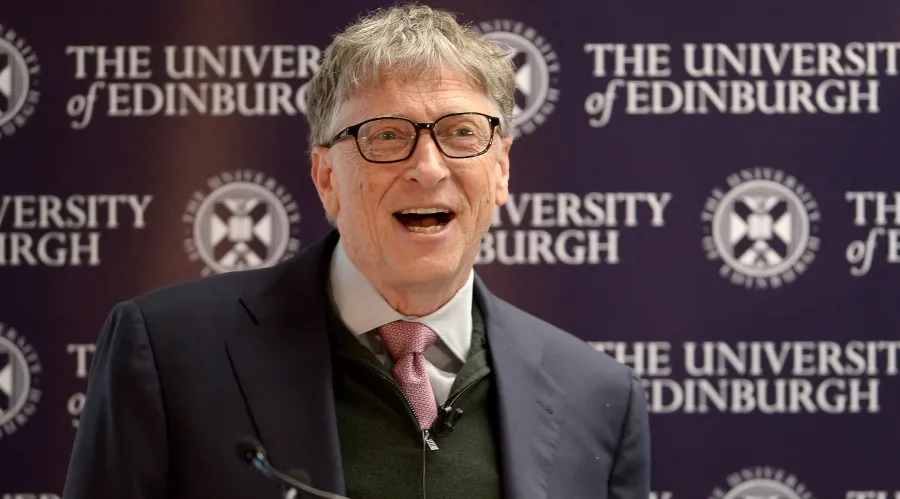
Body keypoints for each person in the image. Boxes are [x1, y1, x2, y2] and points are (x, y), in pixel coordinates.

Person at [61, 4, 650, 499]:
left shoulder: (598, 395)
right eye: (386, 135)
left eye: (462, 132)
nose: (427, 167)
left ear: (500, 171)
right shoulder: (166, 352)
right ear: (324, 177)